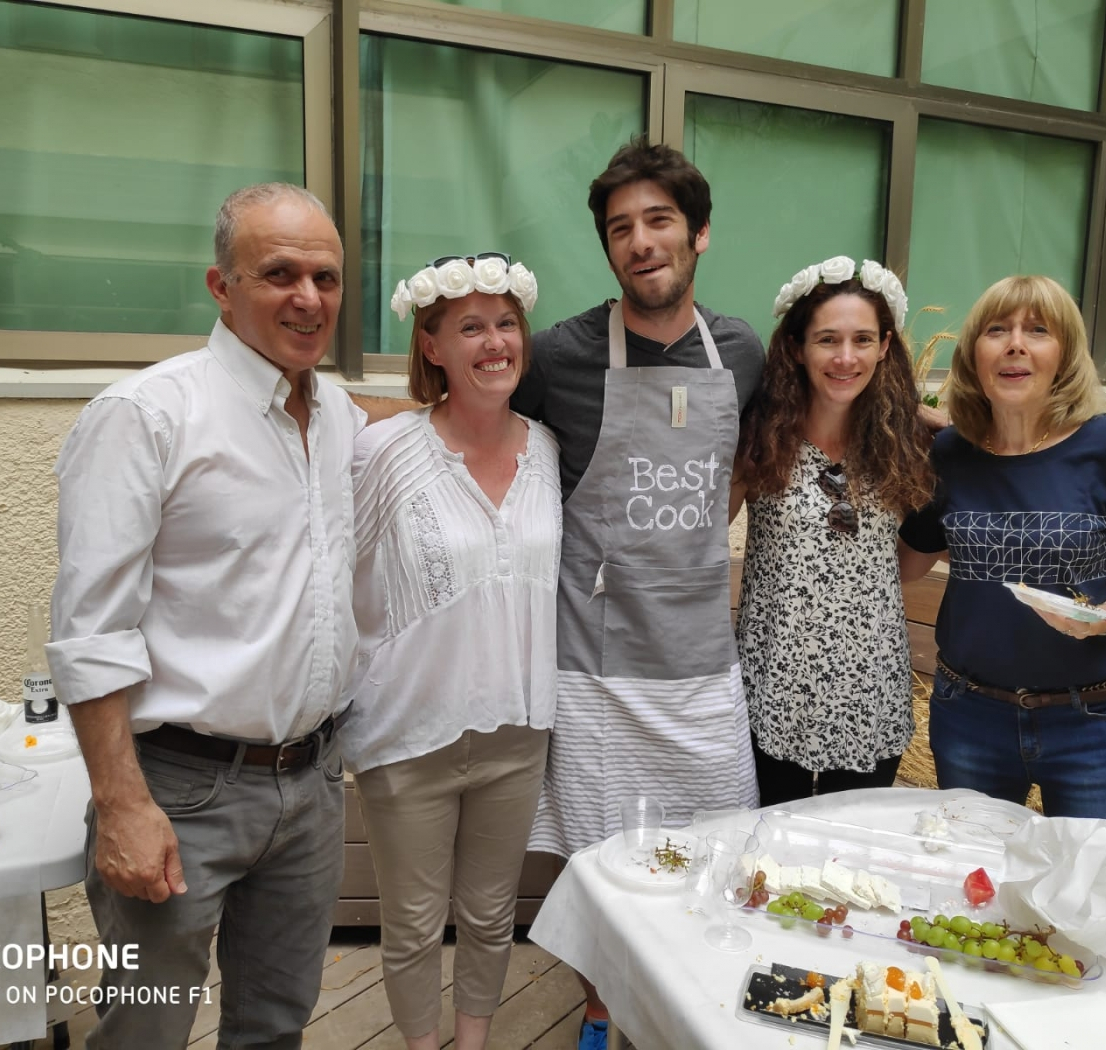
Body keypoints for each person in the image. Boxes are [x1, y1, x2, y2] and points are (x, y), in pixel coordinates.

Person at [46, 183, 364, 1049]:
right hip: (181, 790)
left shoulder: (336, 416)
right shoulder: (147, 417)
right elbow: (91, 634)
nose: (309, 298)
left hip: (310, 783)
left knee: (275, 1025)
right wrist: (121, 805)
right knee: (144, 1033)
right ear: (222, 287)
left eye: (327, 278)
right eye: (280, 274)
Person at [511, 138, 764, 1050]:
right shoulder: (559, 354)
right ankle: (599, 1007)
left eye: (659, 220)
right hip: (596, 665)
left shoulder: (741, 349)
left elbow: (761, 452)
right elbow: (480, 428)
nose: (641, 241)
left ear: (700, 233)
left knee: (719, 852)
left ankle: (689, 1004)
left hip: (700, 662)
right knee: (597, 860)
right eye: (621, 228)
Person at [342, 254, 560, 1050]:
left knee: (492, 914)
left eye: (505, 324)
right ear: (431, 346)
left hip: (516, 733)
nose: (495, 342)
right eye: (470, 327)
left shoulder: (549, 450)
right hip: (409, 736)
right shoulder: (385, 452)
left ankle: (472, 1042)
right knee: (410, 923)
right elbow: (338, 573)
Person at [898, 275, 1106, 841]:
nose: (1016, 344)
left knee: (1097, 883)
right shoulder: (950, 452)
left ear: (1065, 355)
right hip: (970, 715)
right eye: (997, 330)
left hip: (1092, 719)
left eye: (1038, 330)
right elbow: (908, 564)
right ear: (974, 354)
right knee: (978, 881)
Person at [732, 257, 934, 806]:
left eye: (862, 339)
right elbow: (703, 531)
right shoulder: (758, 438)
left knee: (854, 843)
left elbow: (908, 565)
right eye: (827, 339)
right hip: (774, 685)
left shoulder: (905, 443)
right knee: (768, 845)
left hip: (868, 688)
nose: (846, 357)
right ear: (797, 347)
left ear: (885, 346)